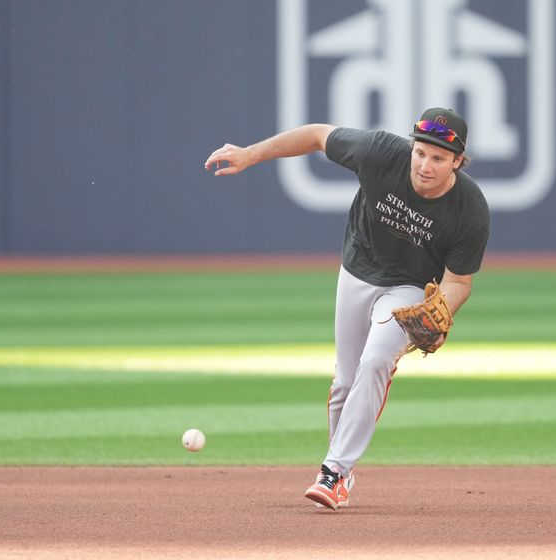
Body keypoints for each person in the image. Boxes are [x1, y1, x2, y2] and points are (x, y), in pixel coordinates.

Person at [205, 107, 490, 510]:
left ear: (458, 161)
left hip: (409, 288)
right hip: (358, 270)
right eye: (421, 152)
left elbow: (459, 282)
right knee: (345, 381)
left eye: (439, 158)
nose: (426, 165)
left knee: (377, 360)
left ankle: (334, 471)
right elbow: (318, 135)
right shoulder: (379, 152)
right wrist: (251, 153)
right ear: (411, 146)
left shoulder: (470, 209)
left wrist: (442, 309)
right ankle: (342, 469)